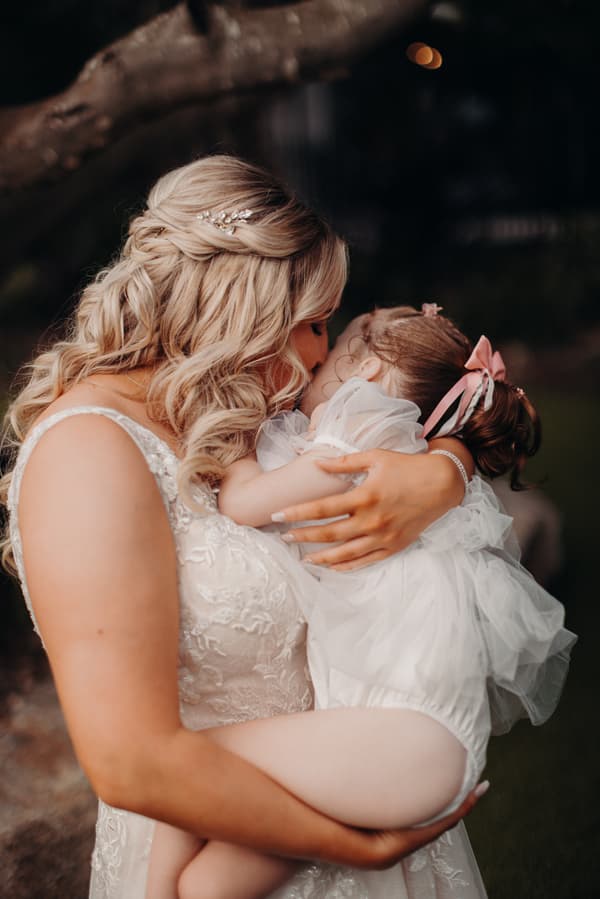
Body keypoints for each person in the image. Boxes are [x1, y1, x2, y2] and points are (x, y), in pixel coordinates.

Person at [1, 156, 488, 899]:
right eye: (314, 324)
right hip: (232, 854)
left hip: (349, 794)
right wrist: (353, 843)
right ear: (246, 307)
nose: (325, 352)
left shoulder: (235, 418)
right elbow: (132, 761)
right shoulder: (88, 451)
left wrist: (444, 470)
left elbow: (419, 422)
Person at [146, 305, 576, 899]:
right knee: (205, 886)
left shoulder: (357, 450)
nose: (318, 361)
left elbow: (244, 503)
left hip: (405, 745)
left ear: (367, 374)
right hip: (410, 752)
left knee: (176, 761)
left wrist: (230, 426)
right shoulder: (404, 457)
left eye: (335, 344)